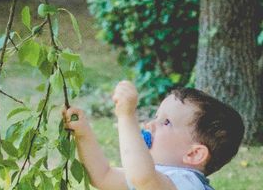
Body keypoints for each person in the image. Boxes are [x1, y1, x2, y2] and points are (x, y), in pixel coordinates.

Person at [63, 80, 244, 190]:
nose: (150, 124)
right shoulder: (157, 175)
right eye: (156, 116)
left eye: (166, 122)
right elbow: (103, 176)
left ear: (193, 154)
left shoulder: (186, 183)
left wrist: (127, 116)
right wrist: (83, 134)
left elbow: (142, 177)